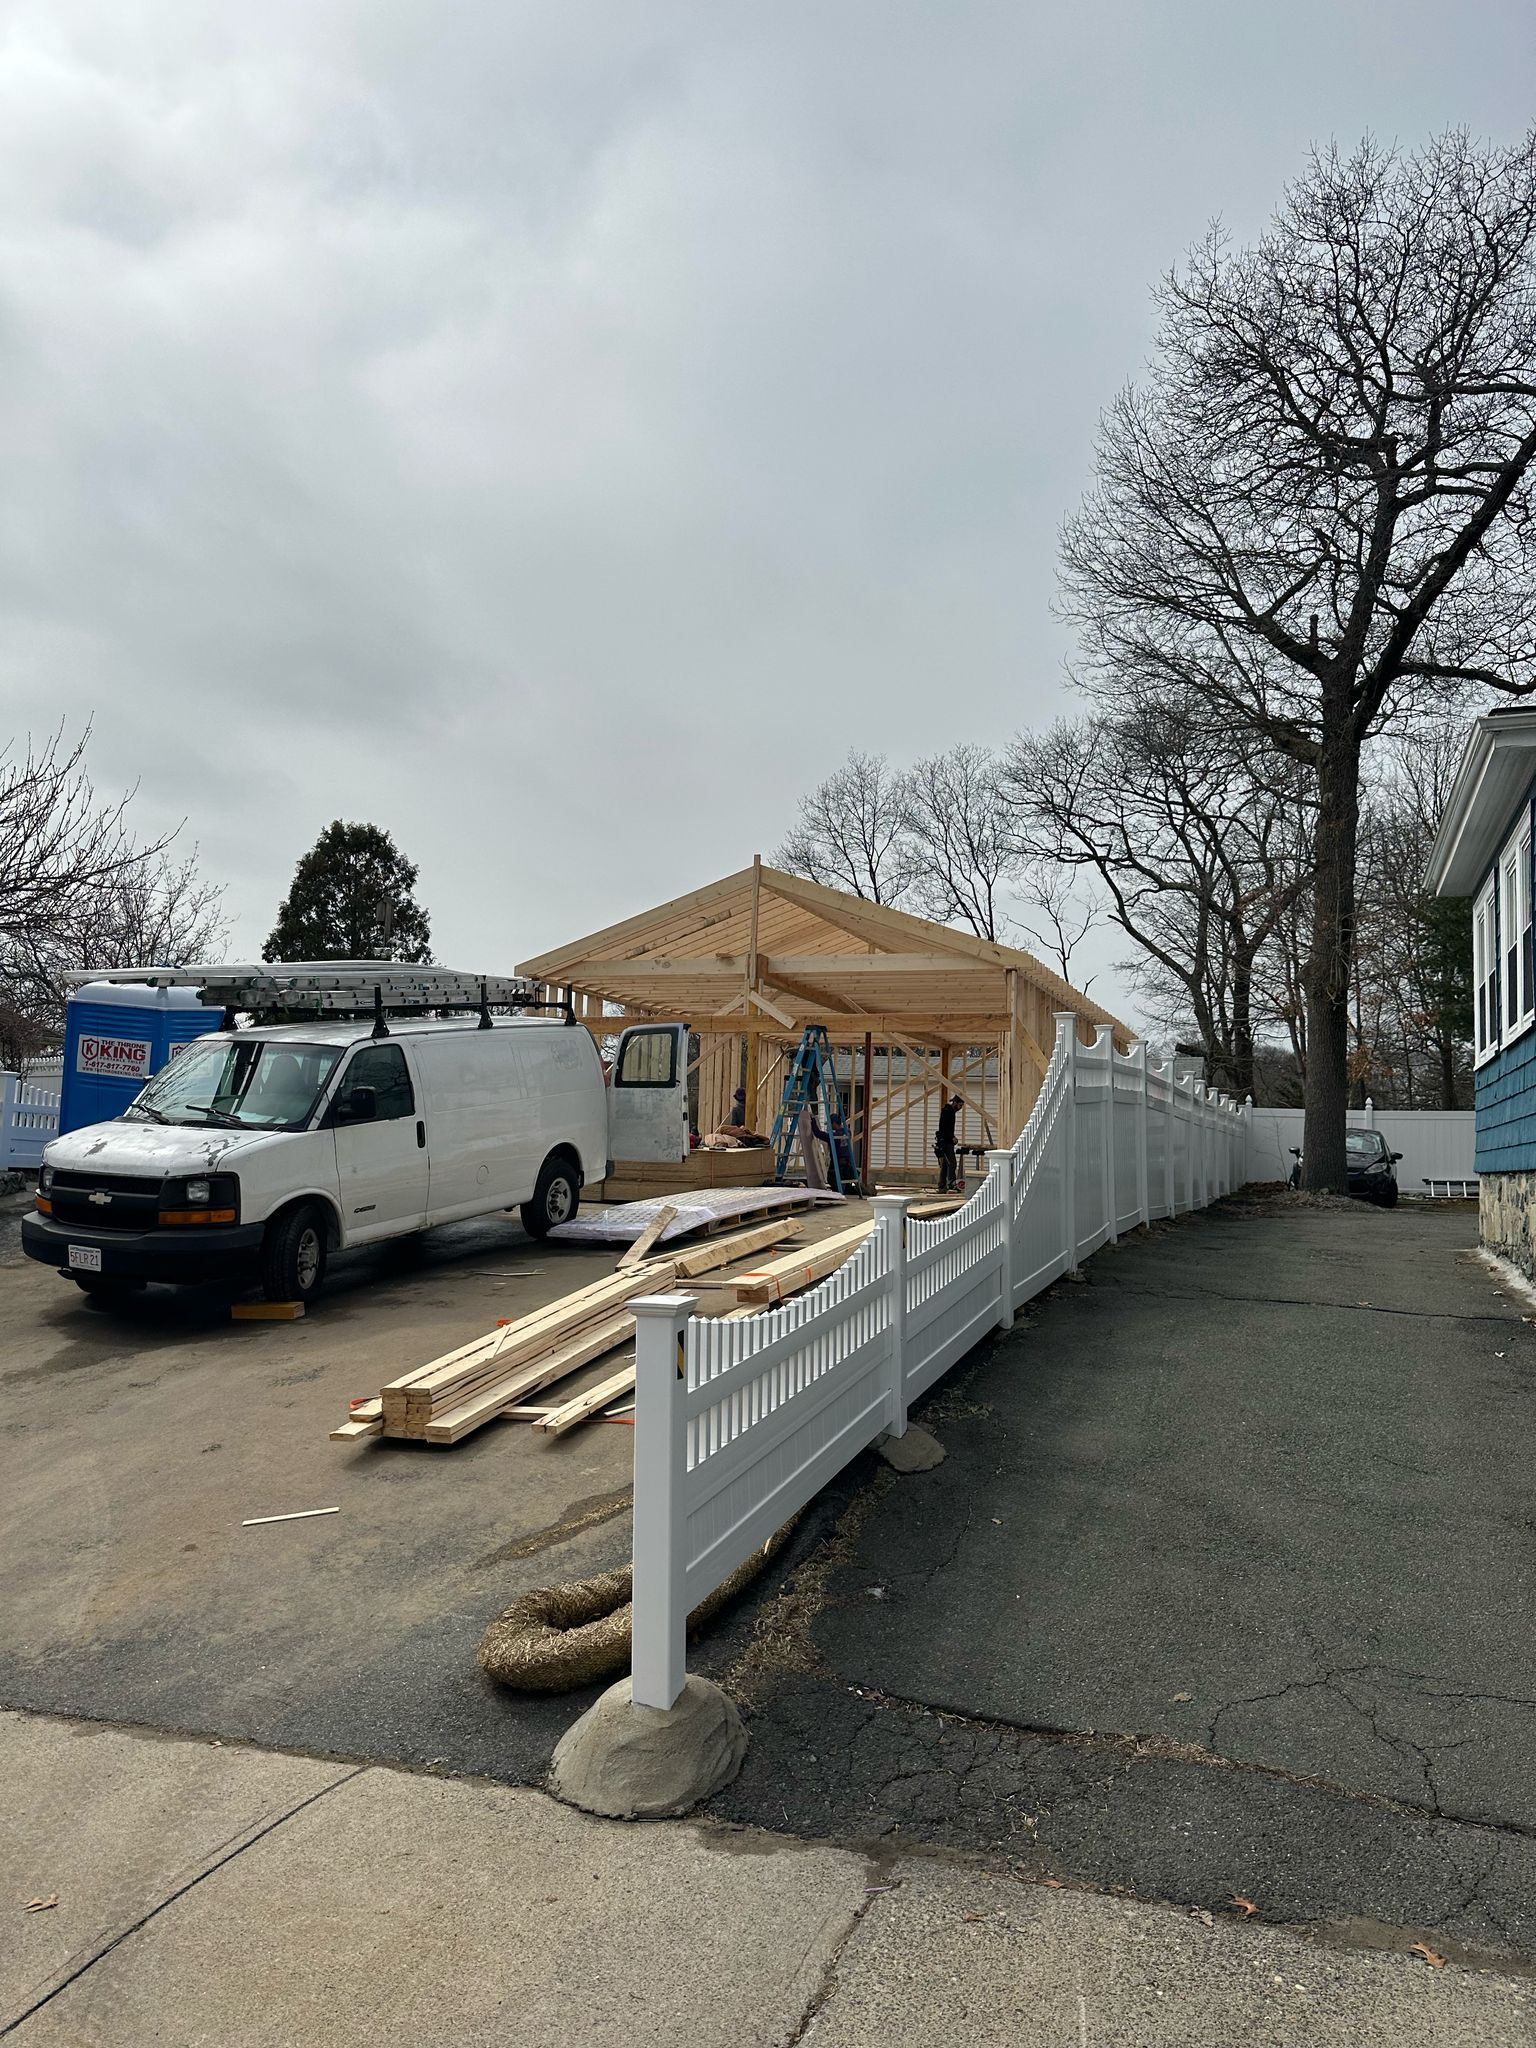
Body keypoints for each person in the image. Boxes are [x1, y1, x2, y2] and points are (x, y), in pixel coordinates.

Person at [933, 1093, 963, 1193]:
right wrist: (951, 1137)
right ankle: (951, 1184)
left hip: (945, 1141)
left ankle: (941, 1187)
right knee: (952, 1163)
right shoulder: (948, 1111)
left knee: (945, 1164)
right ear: (955, 1103)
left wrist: (951, 1138)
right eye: (960, 1105)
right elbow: (944, 1128)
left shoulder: (949, 1111)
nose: (960, 1108)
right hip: (945, 1142)